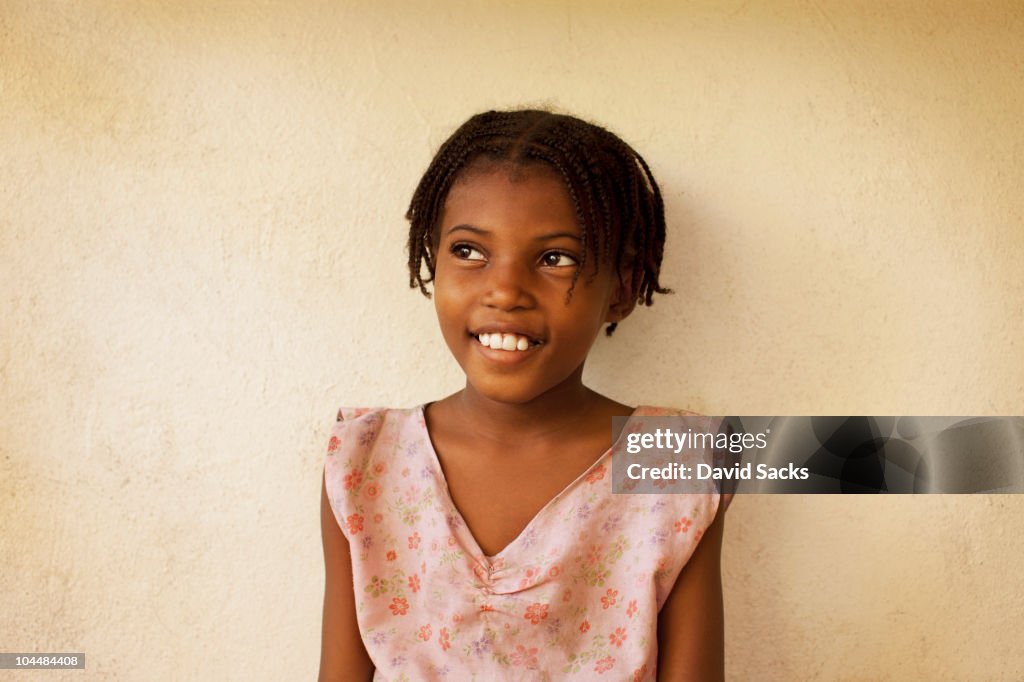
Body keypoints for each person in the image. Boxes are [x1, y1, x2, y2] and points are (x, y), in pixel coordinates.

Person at [319, 109, 731, 681]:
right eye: (468, 251)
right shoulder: (365, 459)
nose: (505, 291)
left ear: (623, 288)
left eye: (555, 258)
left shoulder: (677, 455)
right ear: (430, 262)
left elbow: (883, 454)